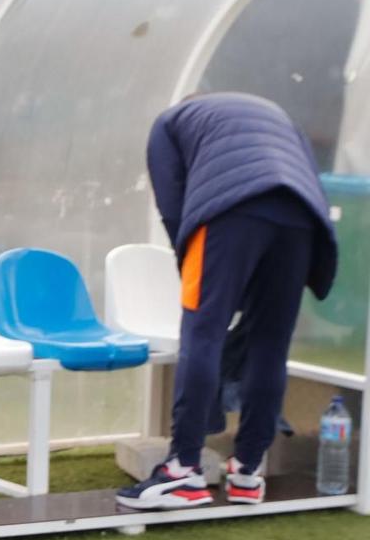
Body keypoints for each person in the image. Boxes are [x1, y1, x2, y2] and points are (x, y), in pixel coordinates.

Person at [120, 92, 337, 510]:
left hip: (230, 209)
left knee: (204, 332)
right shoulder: (275, 111)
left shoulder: (169, 123)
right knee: (270, 345)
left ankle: (182, 472)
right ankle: (248, 473)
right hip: (301, 216)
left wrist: (209, 280)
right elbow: (309, 173)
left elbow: (174, 207)